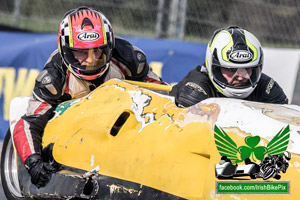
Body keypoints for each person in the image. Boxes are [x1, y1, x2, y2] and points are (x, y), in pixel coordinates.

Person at [12, 6, 165, 188]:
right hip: (73, 128)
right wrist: (34, 163)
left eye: (98, 51)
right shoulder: (53, 77)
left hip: (119, 120)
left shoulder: (128, 57)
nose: (91, 60)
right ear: (67, 50)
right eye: (82, 52)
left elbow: (160, 92)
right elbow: (28, 122)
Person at [170, 26, 288, 107]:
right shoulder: (196, 89)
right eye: (231, 70)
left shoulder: (267, 88)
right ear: (214, 67)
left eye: (247, 69)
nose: (241, 77)